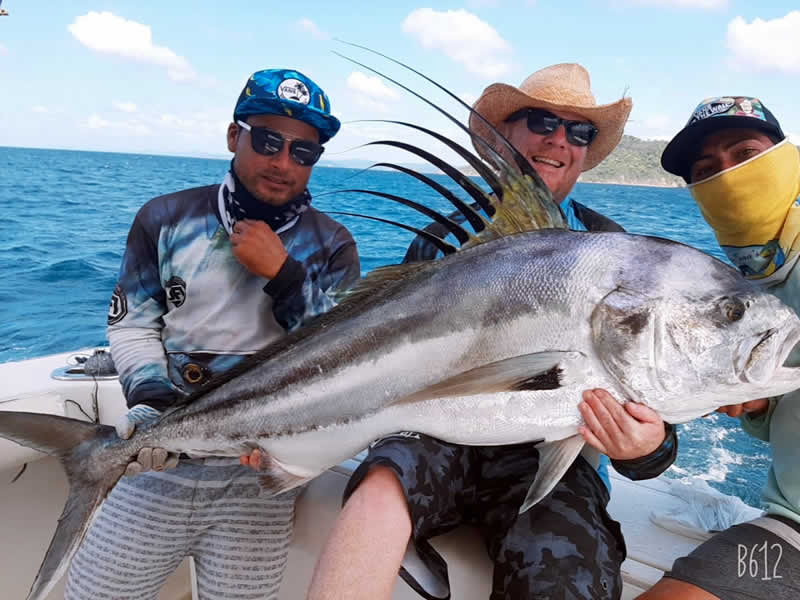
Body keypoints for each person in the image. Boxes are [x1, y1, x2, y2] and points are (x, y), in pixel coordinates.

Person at [306, 63, 678, 600]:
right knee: (381, 485)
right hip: (437, 430)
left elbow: (661, 418)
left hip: (551, 458)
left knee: (568, 565)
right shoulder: (440, 243)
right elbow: (374, 359)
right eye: (542, 120)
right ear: (505, 135)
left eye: (580, 131)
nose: (559, 140)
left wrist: (647, 445)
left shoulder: (615, 252)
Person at [63, 69, 360, 600]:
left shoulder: (333, 245)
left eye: (303, 152)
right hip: (158, 465)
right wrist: (152, 403)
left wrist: (284, 274)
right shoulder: (165, 218)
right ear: (233, 136)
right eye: (268, 140)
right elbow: (133, 322)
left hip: (261, 479)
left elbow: (343, 357)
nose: (283, 161)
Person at [637, 97, 800, 599]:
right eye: (707, 170)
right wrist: (760, 405)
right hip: (789, 534)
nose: (728, 176)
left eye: (747, 153)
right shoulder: (746, 287)